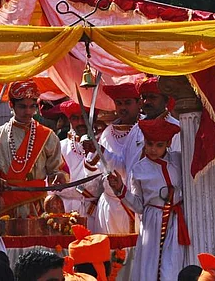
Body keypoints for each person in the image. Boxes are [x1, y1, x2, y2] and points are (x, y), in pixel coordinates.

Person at [107, 119, 190, 281]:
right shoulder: (139, 170)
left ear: (168, 143)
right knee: (151, 269)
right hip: (153, 224)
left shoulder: (179, 160)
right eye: (149, 144)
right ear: (144, 142)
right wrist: (120, 190)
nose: (153, 149)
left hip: (176, 222)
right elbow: (138, 205)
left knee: (172, 268)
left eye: (159, 145)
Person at [0, 80, 64, 218]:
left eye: (32, 106)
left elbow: (56, 171)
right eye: (23, 107)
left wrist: (59, 176)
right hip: (6, 206)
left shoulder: (48, 136)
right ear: (11, 105)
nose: (28, 112)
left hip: (38, 206)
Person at [93, 82, 142, 234]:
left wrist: (102, 152)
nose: (122, 108)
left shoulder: (144, 130)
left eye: (128, 103)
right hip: (109, 206)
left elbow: (129, 170)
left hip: (134, 205)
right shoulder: (107, 133)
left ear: (139, 103)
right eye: (118, 103)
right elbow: (95, 173)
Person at [53, 101, 101, 228]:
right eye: (75, 118)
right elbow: (51, 188)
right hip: (66, 213)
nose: (80, 122)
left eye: (84, 117)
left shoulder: (103, 145)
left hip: (95, 213)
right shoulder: (60, 147)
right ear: (69, 120)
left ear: (93, 118)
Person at [137, 77, 181, 152]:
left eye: (152, 97)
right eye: (144, 97)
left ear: (166, 101)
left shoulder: (176, 129)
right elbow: (124, 160)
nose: (146, 102)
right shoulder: (136, 128)